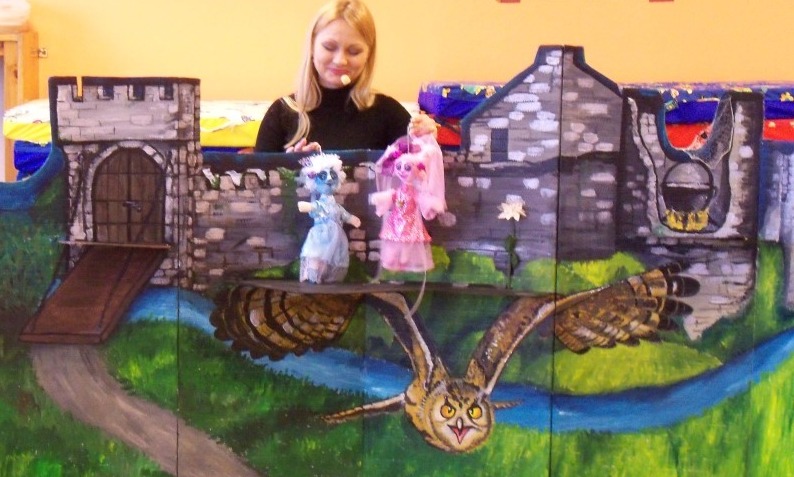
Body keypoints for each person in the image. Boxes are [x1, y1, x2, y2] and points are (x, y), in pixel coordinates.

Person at [254, 0, 435, 153]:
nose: (340, 60)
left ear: (368, 55)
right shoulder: (281, 114)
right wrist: (290, 174)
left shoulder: (388, 113)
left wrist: (428, 143)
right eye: (329, 47)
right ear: (312, 47)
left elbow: (424, 175)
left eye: (354, 51)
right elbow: (257, 182)